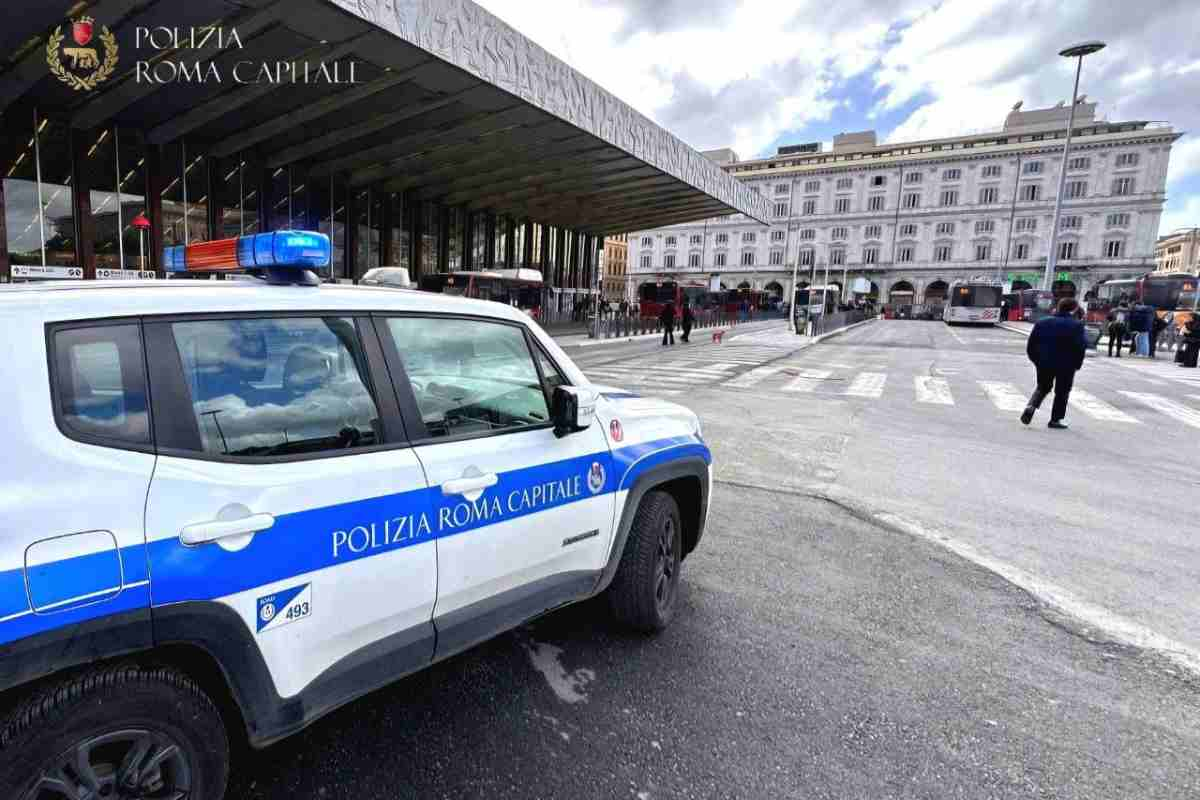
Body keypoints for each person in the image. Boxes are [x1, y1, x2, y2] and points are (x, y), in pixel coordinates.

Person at [1021, 297, 1087, 430]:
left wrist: (1036, 361)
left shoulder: (1042, 322)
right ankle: (1055, 420)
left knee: (1043, 387)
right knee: (1062, 392)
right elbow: (1081, 347)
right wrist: (1077, 364)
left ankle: (1031, 406)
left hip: (1044, 362)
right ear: (1074, 309)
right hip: (1067, 365)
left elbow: (1031, 345)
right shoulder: (1076, 325)